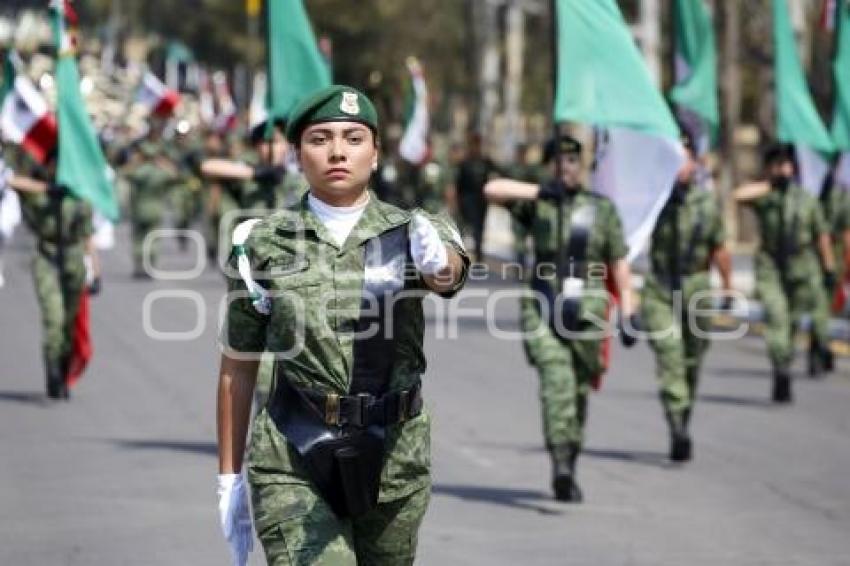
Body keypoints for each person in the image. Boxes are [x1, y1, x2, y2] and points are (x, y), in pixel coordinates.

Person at [216, 85, 469, 566]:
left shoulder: (414, 231)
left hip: (394, 455)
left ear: (375, 154)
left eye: (354, 138)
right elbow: (238, 366)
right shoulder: (261, 241)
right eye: (320, 138)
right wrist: (228, 477)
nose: (337, 151)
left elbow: (448, 272)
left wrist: (437, 263)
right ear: (297, 155)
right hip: (295, 451)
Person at [484, 134, 636, 503]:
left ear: (582, 166)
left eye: (572, 161)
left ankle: (570, 453)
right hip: (543, 304)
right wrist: (539, 192)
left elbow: (619, 265)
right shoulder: (538, 204)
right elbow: (492, 189)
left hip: (590, 309)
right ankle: (560, 463)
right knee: (557, 383)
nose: (566, 167)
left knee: (579, 390)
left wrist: (630, 312)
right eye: (559, 161)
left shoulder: (602, 209)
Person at [641, 135, 732, 462]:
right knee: (670, 356)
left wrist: (727, 287)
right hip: (660, 286)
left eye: (685, 159)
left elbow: (719, 248)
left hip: (696, 286)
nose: (680, 167)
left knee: (692, 360)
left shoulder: (706, 204)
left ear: (695, 164)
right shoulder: (653, 200)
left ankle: (682, 413)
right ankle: (677, 423)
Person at [733, 142, 836, 402]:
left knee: (791, 322)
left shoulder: (806, 199)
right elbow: (738, 195)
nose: (783, 170)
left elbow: (821, 235)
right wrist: (769, 183)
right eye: (777, 165)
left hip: (801, 266)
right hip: (771, 267)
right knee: (776, 317)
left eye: (787, 165)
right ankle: (780, 368)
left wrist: (829, 267)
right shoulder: (766, 196)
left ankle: (788, 357)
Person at [6, 151, 100, 399]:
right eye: (53, 164)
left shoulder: (80, 198)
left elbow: (88, 237)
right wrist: (47, 188)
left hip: (72, 259)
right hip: (46, 257)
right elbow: (10, 181)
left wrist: (96, 272)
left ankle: (63, 370)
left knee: (69, 322)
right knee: (53, 318)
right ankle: (52, 373)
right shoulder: (40, 192)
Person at [456, 131, 502, 262]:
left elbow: (499, 171)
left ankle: (479, 253)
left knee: (479, 227)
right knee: (467, 226)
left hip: (481, 199)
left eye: (478, 144)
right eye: (474, 144)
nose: (476, 147)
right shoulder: (465, 162)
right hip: (467, 198)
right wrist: (459, 200)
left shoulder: (486, 161)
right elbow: (459, 183)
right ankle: (461, 252)